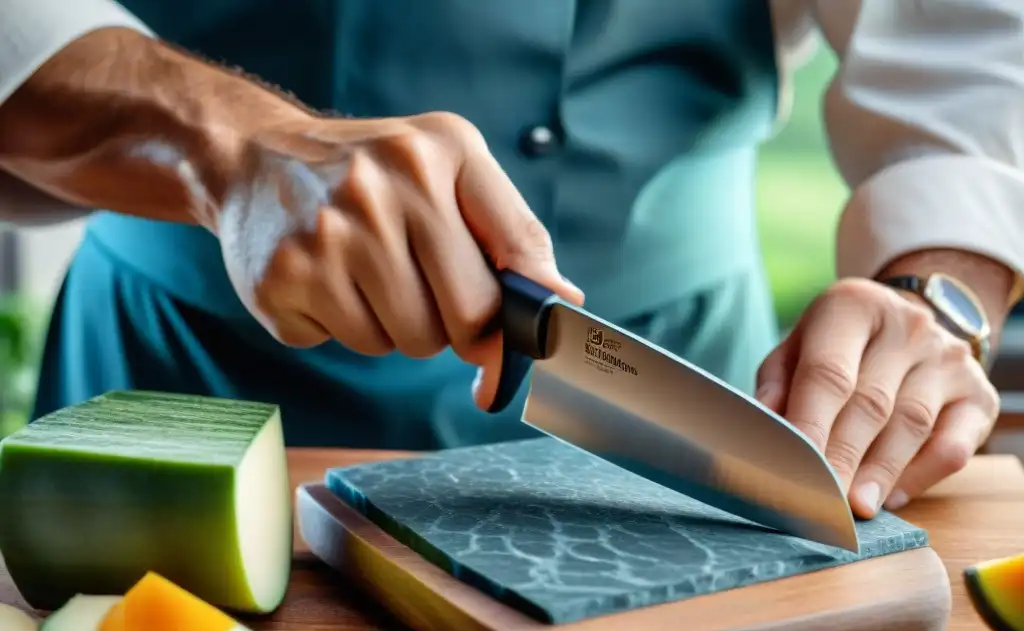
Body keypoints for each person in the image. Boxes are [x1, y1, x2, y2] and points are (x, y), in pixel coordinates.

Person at [0, 0, 1021, 522]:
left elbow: (969, 45)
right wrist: (218, 139)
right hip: (177, 387)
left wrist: (935, 295)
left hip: (684, 397)